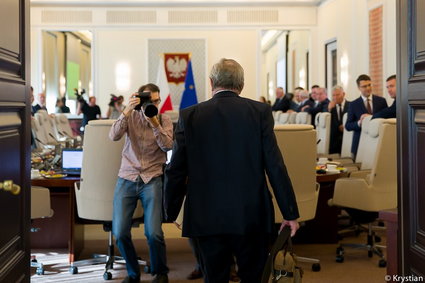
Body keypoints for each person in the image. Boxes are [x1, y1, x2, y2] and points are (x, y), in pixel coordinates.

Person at [164, 58, 300, 283]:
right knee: (254, 277)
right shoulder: (259, 112)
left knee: (214, 277)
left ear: (211, 82)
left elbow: (175, 170)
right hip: (251, 214)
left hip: (205, 215)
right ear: (242, 84)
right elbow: (275, 165)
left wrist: (171, 210)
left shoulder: (190, 116)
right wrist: (290, 213)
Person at [109, 83, 173, 283]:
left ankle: (160, 272)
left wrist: (154, 123)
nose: (153, 104)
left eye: (156, 101)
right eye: (149, 101)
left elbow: (168, 145)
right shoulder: (130, 116)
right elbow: (113, 136)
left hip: (152, 178)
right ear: (139, 99)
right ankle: (133, 273)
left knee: (153, 233)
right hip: (127, 177)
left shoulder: (163, 119)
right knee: (119, 232)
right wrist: (127, 110)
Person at [345, 74, 388, 157]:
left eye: (369, 85)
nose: (368, 88)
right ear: (359, 88)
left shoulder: (381, 101)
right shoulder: (353, 104)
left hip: (377, 142)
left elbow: (386, 120)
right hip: (359, 144)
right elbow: (348, 126)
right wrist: (359, 123)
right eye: (364, 86)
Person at [328, 85, 350, 154]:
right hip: (334, 142)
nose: (335, 97)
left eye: (337, 95)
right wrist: (329, 109)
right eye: (333, 95)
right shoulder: (330, 107)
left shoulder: (351, 105)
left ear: (343, 94)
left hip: (347, 138)